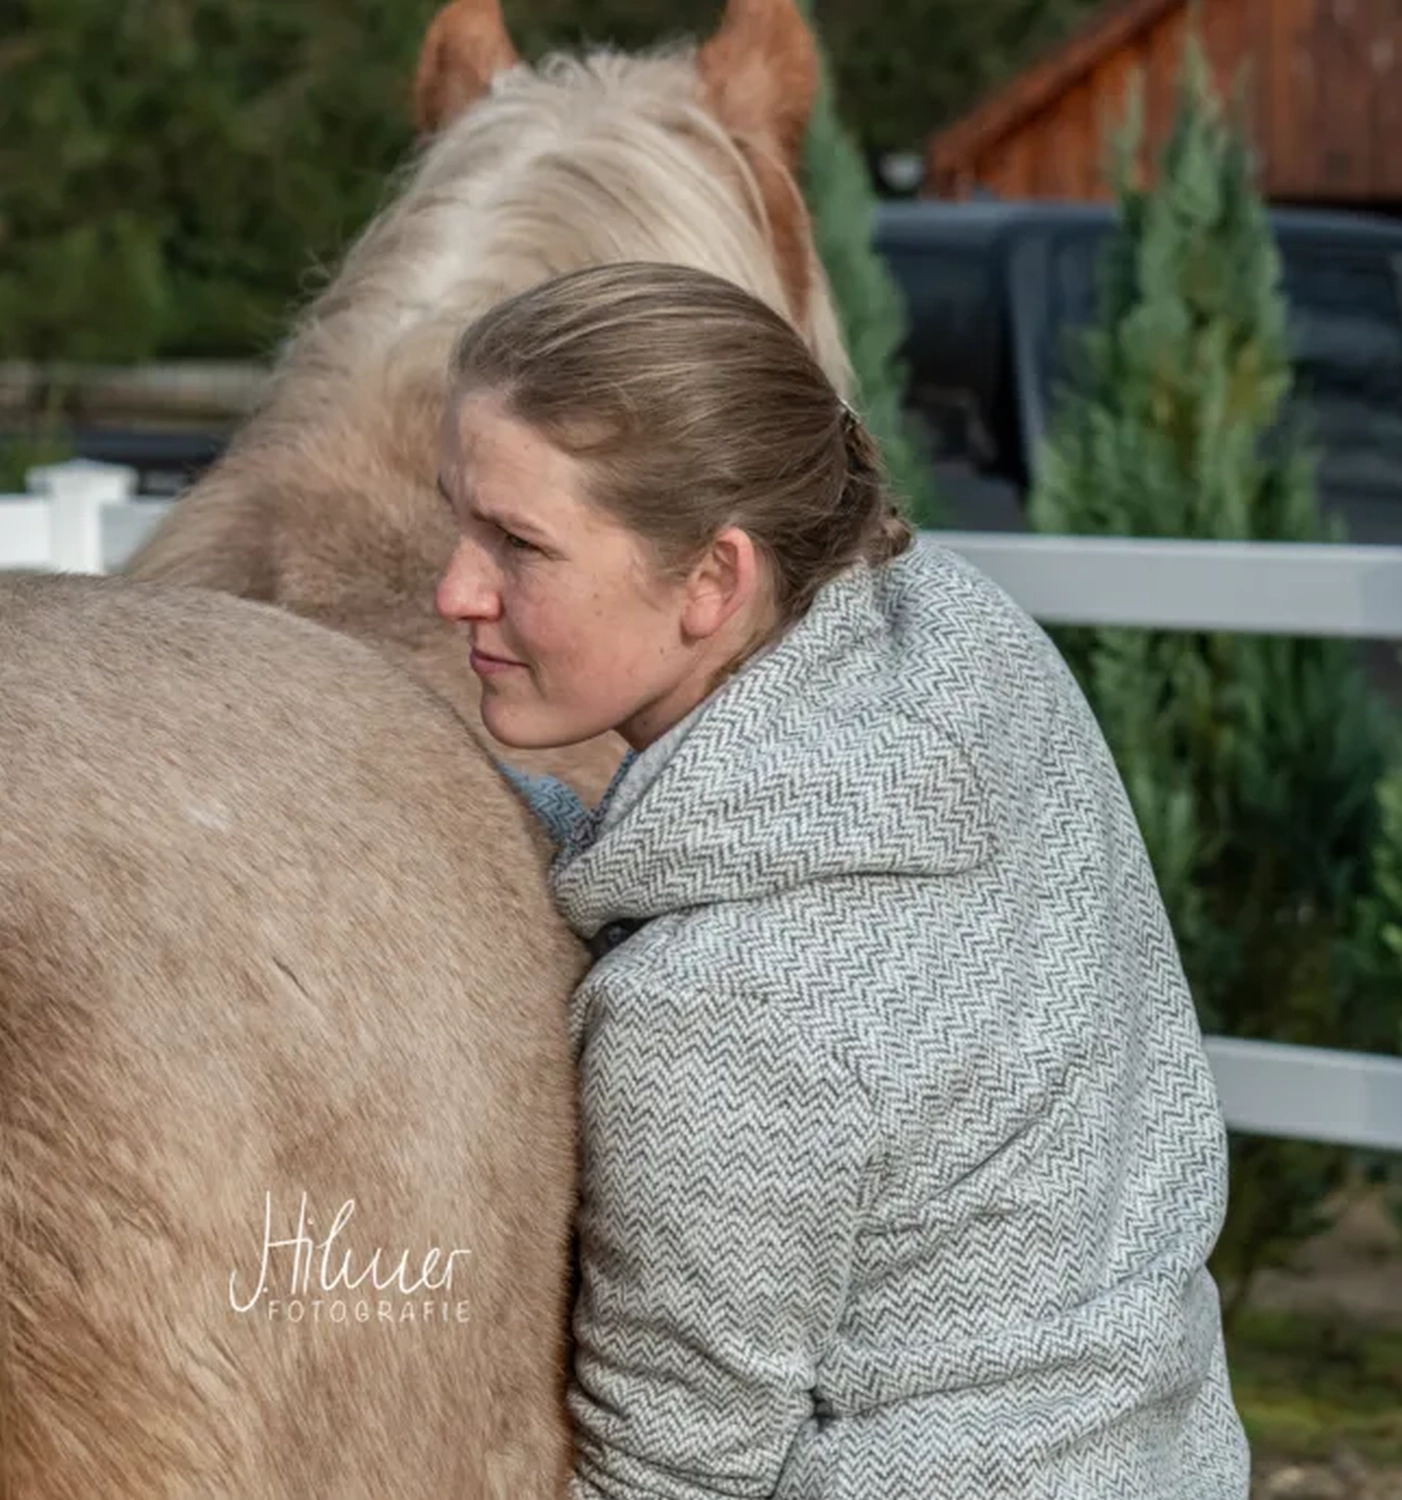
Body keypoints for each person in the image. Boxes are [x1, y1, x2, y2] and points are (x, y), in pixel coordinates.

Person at [433, 260, 1251, 1500]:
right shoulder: (965, 646)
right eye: (460, 516)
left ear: (714, 579)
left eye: (519, 544)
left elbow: (671, 1478)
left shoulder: (724, 1015)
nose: (456, 589)